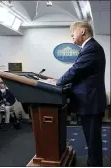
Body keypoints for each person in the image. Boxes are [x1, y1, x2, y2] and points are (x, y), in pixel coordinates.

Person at [55, 21, 106, 166]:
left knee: (93, 141)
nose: (71, 36)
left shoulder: (92, 48)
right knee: (91, 140)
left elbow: (75, 70)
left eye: (73, 33)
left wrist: (58, 83)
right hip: (89, 102)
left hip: (91, 103)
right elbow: (81, 75)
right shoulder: (90, 48)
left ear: (82, 31)